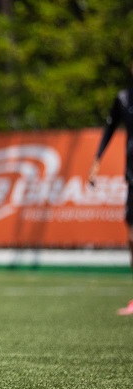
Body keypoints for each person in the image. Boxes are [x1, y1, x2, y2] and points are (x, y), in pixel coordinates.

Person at [88, 63, 133, 316]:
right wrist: (96, 162)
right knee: (131, 238)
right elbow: (109, 130)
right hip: (132, 177)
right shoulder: (123, 99)